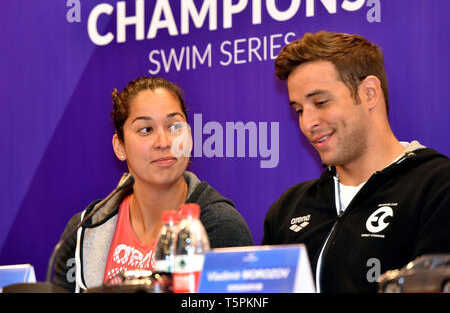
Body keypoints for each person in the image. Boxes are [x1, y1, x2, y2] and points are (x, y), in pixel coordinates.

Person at [262, 31, 450, 293]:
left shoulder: (438, 187)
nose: (307, 123)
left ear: (369, 92)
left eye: (321, 102)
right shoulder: (288, 209)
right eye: (299, 110)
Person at [53, 76, 254, 292]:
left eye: (175, 126)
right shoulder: (84, 230)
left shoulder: (220, 226)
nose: (164, 142)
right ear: (119, 146)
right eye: (146, 130)